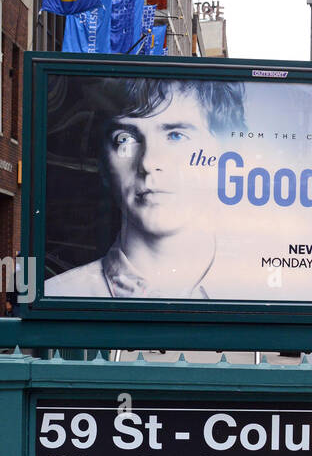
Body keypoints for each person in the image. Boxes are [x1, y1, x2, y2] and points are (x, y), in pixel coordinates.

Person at [45, 77, 246, 299]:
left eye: (176, 136)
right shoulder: (59, 294)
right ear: (102, 163)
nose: (148, 162)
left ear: (223, 153)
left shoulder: (257, 292)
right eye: (124, 138)